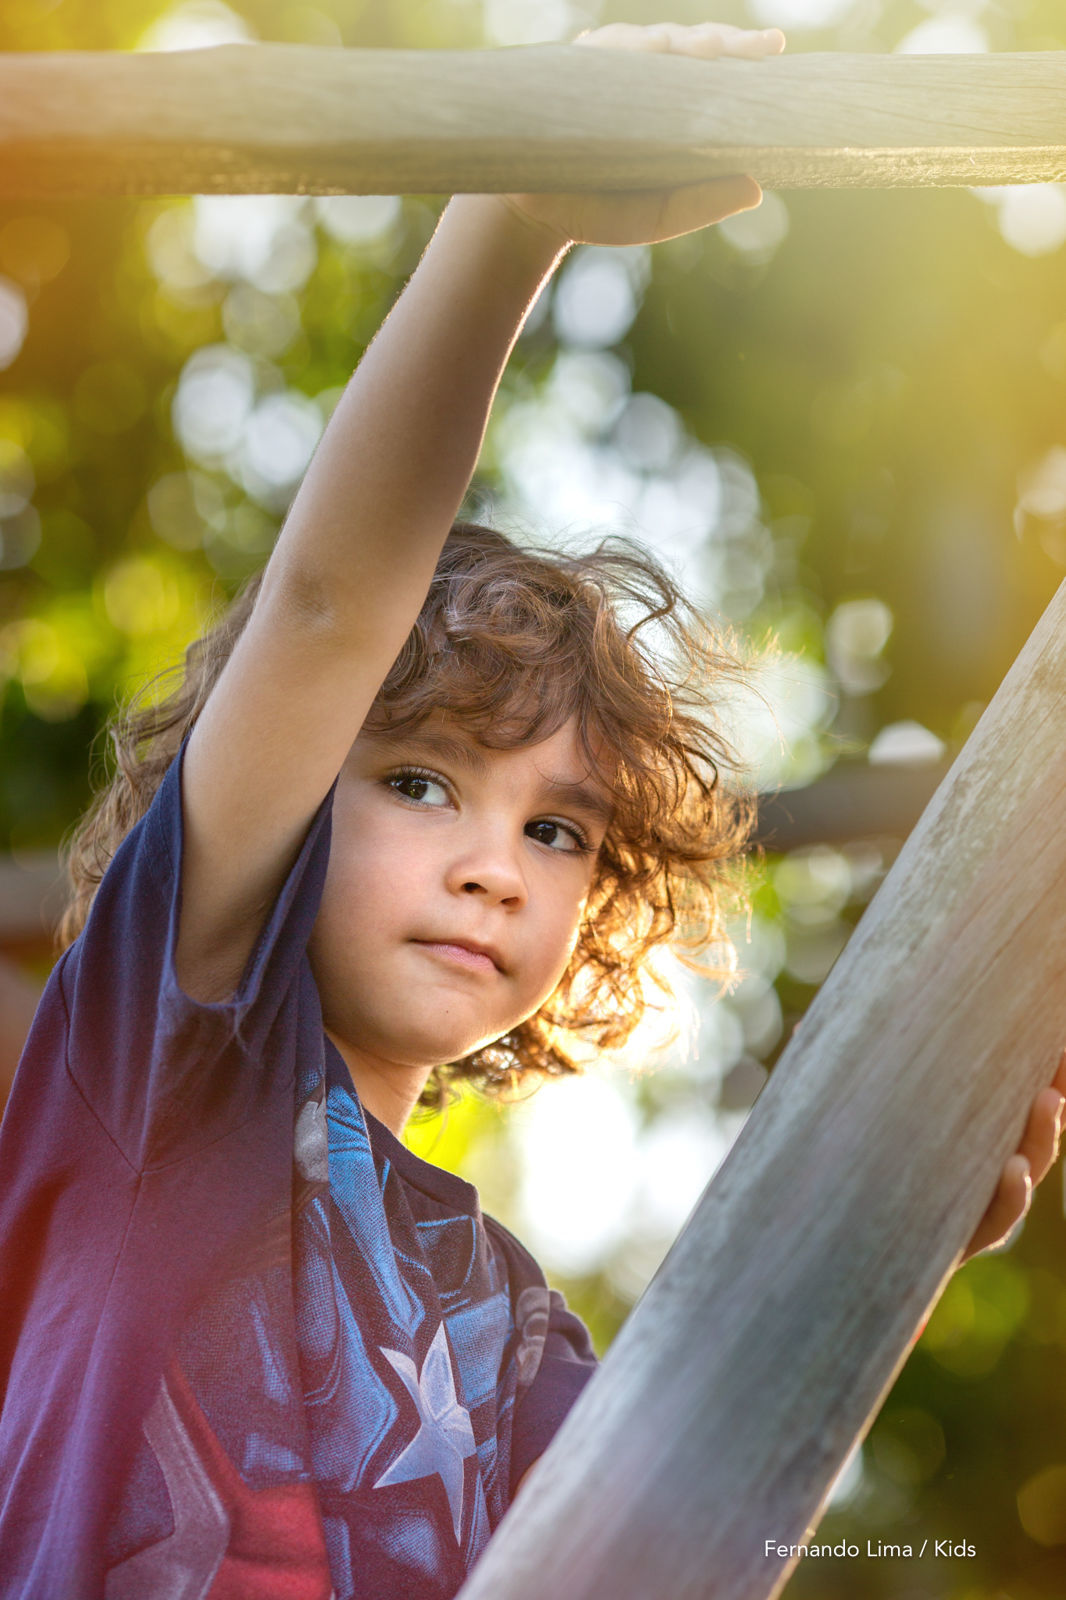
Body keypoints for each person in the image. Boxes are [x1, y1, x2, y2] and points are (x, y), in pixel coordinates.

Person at [0, 19, 1063, 1600]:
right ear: (292, 795)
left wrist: (885, 1251)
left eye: (556, 829)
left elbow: (682, 1541)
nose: (493, 864)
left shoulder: (511, 1333)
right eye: (421, 783)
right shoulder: (156, 1070)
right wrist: (510, 222)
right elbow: (321, 611)